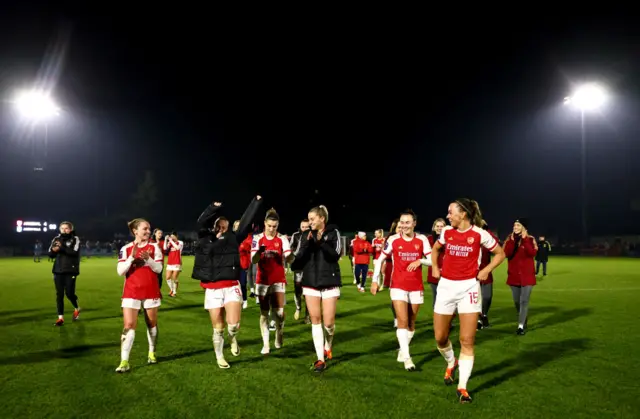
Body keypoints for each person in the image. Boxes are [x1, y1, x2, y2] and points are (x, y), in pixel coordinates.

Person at [430, 199, 505, 403]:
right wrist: (435, 268)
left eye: (450, 212)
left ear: (463, 214)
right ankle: (451, 361)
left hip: (469, 289)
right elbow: (436, 250)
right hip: (446, 287)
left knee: (467, 340)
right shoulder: (446, 232)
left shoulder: (480, 234)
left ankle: (462, 387)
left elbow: (500, 253)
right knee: (440, 337)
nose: (448, 216)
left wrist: (486, 270)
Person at [192, 196, 262, 369]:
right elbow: (200, 223)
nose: (222, 228)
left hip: (231, 285)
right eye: (219, 225)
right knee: (218, 327)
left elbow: (245, 223)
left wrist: (255, 202)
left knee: (232, 325)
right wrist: (212, 208)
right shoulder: (205, 238)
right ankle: (220, 356)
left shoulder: (233, 238)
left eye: (225, 226)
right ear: (214, 226)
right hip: (212, 288)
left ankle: (233, 339)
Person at [371, 210, 432, 371]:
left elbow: (432, 260)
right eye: (402, 223)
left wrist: (420, 261)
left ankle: (402, 350)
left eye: (407, 222)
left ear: (414, 223)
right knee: (402, 321)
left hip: (416, 286)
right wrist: (374, 280)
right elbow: (380, 260)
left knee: (411, 323)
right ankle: (407, 358)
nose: (404, 225)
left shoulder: (422, 240)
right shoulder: (393, 240)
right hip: (398, 285)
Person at [292, 205, 341, 373]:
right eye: (308, 219)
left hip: (330, 282)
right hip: (310, 282)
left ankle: (328, 345)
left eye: (312, 219)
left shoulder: (334, 233)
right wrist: (306, 245)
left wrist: (321, 242)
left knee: (328, 323)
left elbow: (335, 255)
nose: (309, 222)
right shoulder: (305, 236)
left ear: (322, 219)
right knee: (316, 320)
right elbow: (297, 262)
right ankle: (320, 359)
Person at [115, 218, 164, 372]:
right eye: (145, 229)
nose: (148, 231)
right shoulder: (126, 248)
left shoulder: (154, 247)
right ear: (135, 231)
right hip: (131, 291)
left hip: (150, 291)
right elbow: (120, 271)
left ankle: (151, 352)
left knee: (151, 323)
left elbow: (159, 269)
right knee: (129, 325)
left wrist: (148, 259)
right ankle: (124, 361)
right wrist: (131, 258)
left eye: (149, 229)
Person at [252, 208, 294, 354]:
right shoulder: (257, 238)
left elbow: (289, 256)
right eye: (269, 226)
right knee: (264, 313)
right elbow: (253, 260)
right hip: (262, 281)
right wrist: (259, 252)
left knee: (280, 313)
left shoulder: (282, 239)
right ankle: (265, 344)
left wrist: (291, 257)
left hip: (278, 280)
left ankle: (279, 332)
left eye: (274, 226)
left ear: (278, 225)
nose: (271, 229)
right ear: (264, 223)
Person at [504, 218, 538, 335]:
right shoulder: (509, 240)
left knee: (524, 301)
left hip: (527, 277)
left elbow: (532, 253)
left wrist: (524, 239)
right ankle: (524, 319)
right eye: (514, 225)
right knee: (517, 302)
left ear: (524, 227)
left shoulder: (530, 239)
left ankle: (520, 326)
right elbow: (507, 254)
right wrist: (513, 241)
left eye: (518, 225)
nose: (515, 227)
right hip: (513, 277)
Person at [48, 222, 81, 326]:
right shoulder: (56, 239)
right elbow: (50, 254)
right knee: (59, 294)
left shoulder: (75, 239)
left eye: (66, 228)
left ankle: (76, 308)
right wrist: (53, 250)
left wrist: (61, 248)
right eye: (62, 228)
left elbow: (74, 252)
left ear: (70, 229)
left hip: (71, 270)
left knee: (69, 293)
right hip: (58, 270)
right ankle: (60, 318)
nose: (64, 230)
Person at [478, 220, 500, 329]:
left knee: (487, 296)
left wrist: (487, 230)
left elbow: (496, 242)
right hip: (473, 273)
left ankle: (484, 315)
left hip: (486, 271)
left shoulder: (487, 238)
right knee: (475, 299)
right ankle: (478, 320)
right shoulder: (472, 236)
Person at [289, 219, 311, 322]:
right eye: (303, 227)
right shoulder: (295, 235)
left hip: (309, 267)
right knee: (298, 291)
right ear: (300, 227)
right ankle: (298, 308)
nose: (305, 229)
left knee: (308, 292)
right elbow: (290, 249)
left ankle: (308, 315)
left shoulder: (313, 235)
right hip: (298, 267)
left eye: (307, 227)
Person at [427, 218, 447, 308]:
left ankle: (448, 321)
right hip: (434, 271)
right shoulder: (429, 239)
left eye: (441, 226)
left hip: (447, 272)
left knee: (447, 298)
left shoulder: (449, 238)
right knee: (436, 296)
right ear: (434, 227)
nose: (439, 228)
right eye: (437, 226)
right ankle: (437, 320)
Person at [235, 220, 252, 310]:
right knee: (233, 284)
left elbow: (248, 247)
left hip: (243, 264)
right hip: (233, 264)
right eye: (236, 226)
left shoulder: (247, 237)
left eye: (239, 226)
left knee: (242, 283)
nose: (238, 227)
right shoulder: (231, 237)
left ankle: (245, 300)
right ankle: (237, 301)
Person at [164, 233, 184, 297]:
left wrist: (171, 241)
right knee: (167, 278)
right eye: (171, 237)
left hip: (177, 262)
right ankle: (171, 289)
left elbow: (177, 248)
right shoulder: (170, 243)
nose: (172, 238)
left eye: (173, 236)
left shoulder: (180, 242)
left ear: (176, 236)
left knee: (174, 278)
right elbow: (164, 248)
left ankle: (174, 292)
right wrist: (165, 240)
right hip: (170, 262)